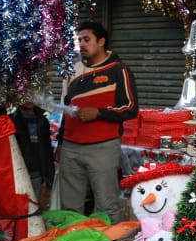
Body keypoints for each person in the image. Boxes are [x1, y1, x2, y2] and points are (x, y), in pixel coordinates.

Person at [57, 22, 138, 224]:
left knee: (107, 204)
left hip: (102, 148)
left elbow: (130, 107)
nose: (81, 44)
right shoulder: (72, 71)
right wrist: (60, 143)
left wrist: (99, 113)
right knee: (69, 205)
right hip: (71, 147)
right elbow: (65, 111)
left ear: (101, 42)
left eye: (86, 40)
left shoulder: (118, 70)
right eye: (79, 40)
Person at [10, 101, 54, 208]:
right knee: (19, 205)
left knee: (35, 205)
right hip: (19, 170)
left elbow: (47, 149)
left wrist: (49, 177)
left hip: (37, 171)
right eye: (26, 96)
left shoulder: (43, 121)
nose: (29, 100)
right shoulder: (12, 120)